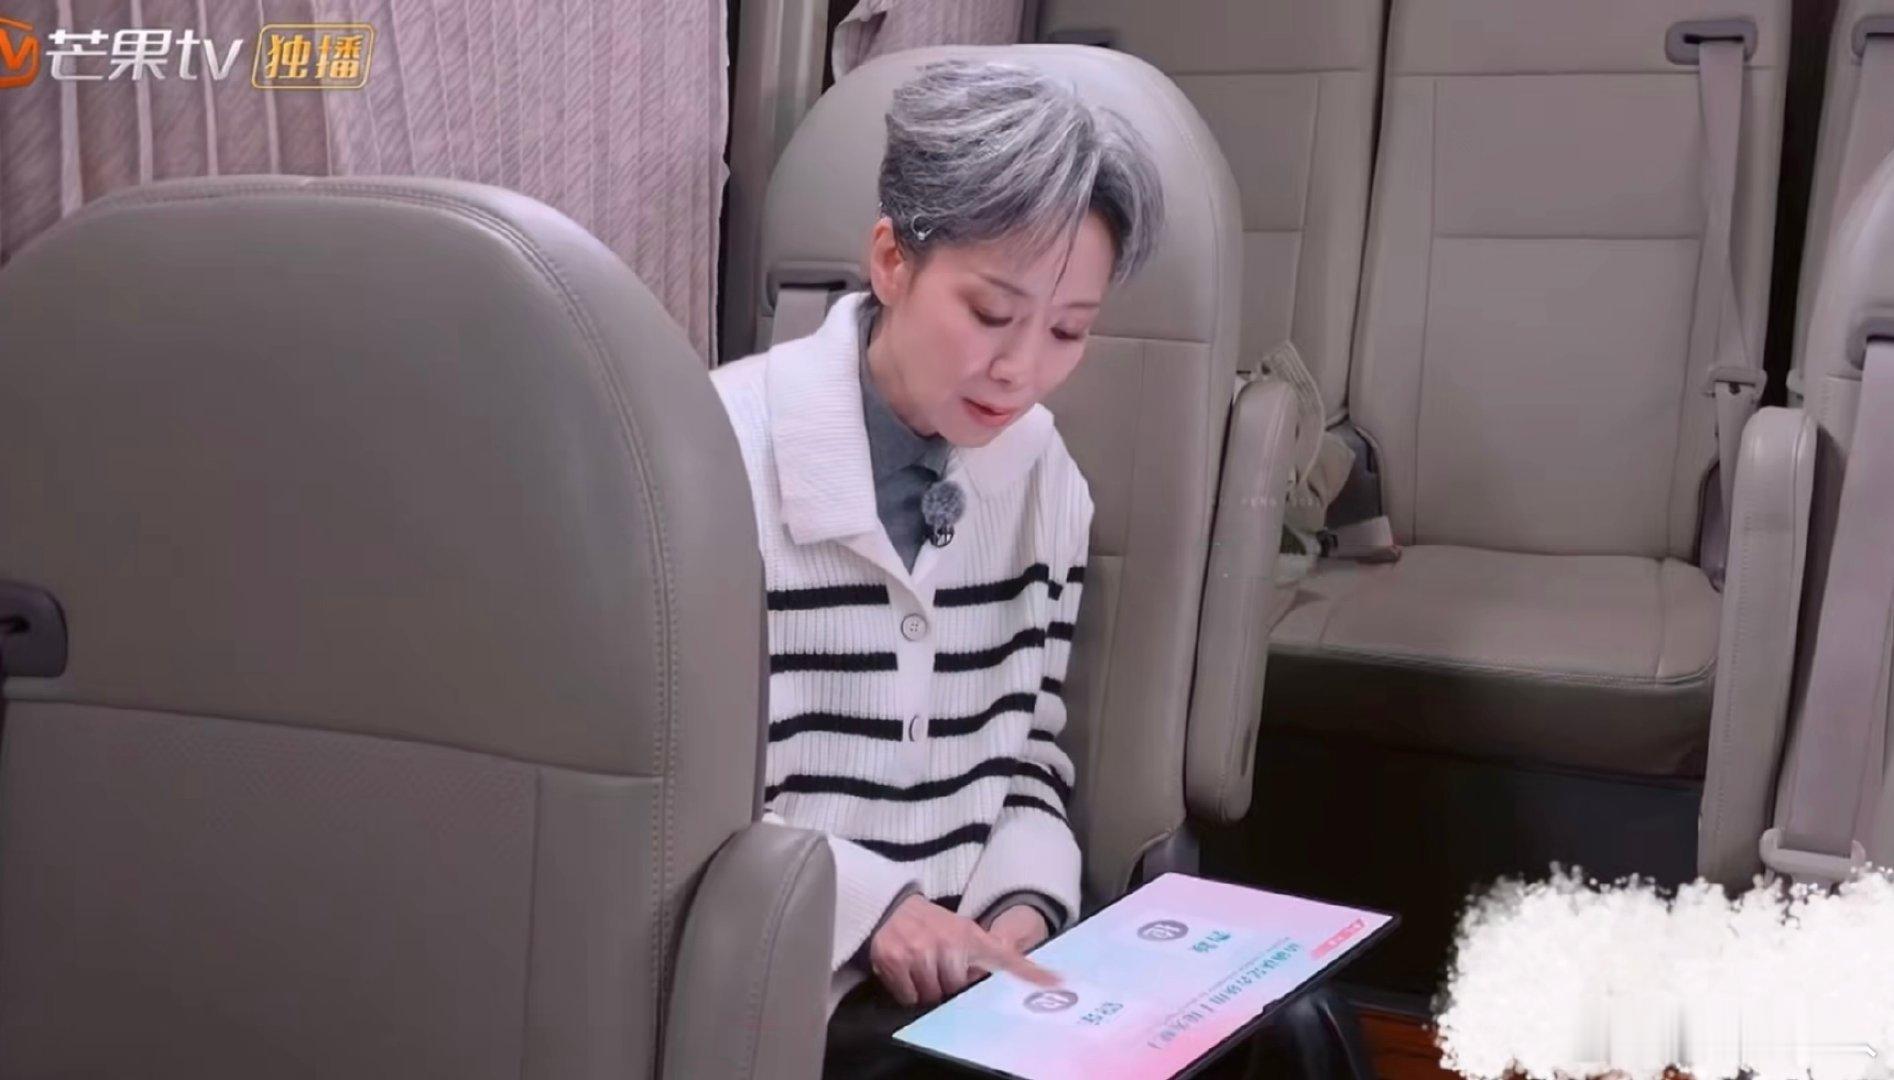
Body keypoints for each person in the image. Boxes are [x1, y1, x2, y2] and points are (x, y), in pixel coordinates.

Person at [711, 57, 1163, 1077]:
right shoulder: (719, 454)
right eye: (991, 314)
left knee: (1299, 1034)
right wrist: (876, 910)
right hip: (791, 989)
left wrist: (1020, 910)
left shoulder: (1044, 478)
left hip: (978, 987)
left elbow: (1028, 754)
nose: (1022, 370)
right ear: (890, 261)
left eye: (1068, 331)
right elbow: (676, 804)